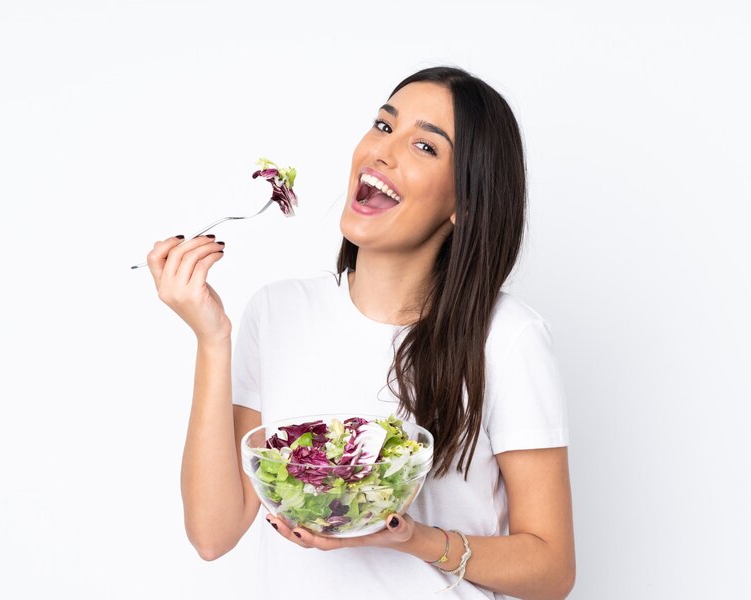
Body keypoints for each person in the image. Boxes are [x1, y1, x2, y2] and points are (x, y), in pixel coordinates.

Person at [146, 65, 575, 600]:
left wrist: (415, 540)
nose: (383, 151)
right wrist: (212, 340)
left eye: (425, 147)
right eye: (384, 125)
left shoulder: (509, 338)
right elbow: (212, 534)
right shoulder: (277, 312)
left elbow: (552, 568)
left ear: (464, 203)